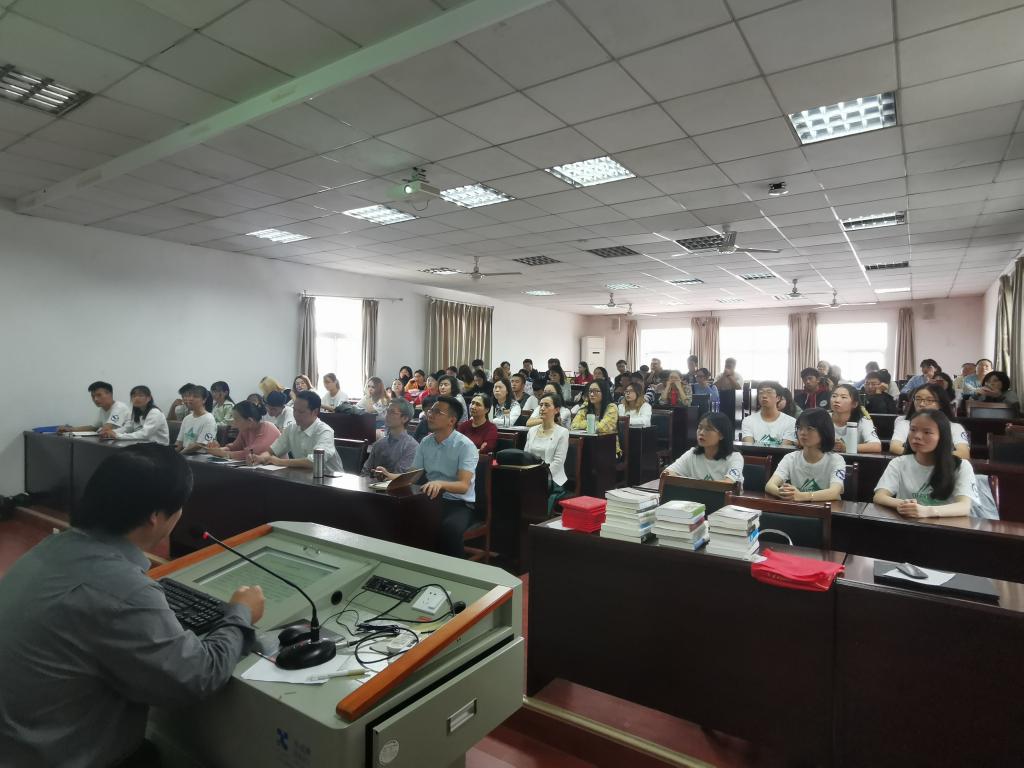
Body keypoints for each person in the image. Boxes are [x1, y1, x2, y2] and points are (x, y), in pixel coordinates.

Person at [0, 444, 264, 767]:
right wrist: (241, 613)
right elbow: (196, 676)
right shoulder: (123, 590)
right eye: (179, 506)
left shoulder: (52, 548)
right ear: (155, 517)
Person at [379, 395, 478, 557]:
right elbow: (413, 475)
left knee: (449, 529)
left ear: (452, 420)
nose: (430, 414)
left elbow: (463, 485)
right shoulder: (426, 442)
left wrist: (440, 484)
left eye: (437, 412)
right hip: (431, 499)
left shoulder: (465, 446)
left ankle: (453, 570)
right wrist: (390, 476)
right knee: (399, 517)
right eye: (430, 410)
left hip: (459, 504)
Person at [874, 410, 978, 517]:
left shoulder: (961, 466)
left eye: (927, 432)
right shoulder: (898, 463)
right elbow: (879, 496)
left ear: (942, 436)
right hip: (908, 523)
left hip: (947, 525)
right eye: (913, 430)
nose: (917, 436)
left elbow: (965, 507)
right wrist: (904, 505)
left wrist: (926, 511)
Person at [765, 408, 846, 502]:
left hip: (827, 509)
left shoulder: (836, 460)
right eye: (800, 428)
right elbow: (769, 485)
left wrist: (802, 496)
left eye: (809, 428)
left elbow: (835, 492)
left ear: (824, 432)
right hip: (799, 509)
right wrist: (782, 493)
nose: (803, 433)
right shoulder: (790, 458)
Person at [251, 391, 343, 472]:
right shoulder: (291, 429)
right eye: (294, 410)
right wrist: (260, 458)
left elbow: (315, 461)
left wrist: (280, 462)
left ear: (315, 412)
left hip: (330, 480)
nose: (295, 415)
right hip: (303, 478)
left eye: (301, 412)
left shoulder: (325, 431)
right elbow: (272, 451)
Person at [890, 383, 970, 458]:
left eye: (929, 400)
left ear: (940, 404)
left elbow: (964, 453)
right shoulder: (904, 424)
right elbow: (895, 447)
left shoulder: (954, 427)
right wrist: (923, 457)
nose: (922, 404)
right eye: (918, 399)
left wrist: (930, 458)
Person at [663, 412, 742, 484]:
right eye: (700, 428)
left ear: (721, 435)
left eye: (708, 429)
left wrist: (694, 485)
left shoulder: (734, 458)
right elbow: (666, 474)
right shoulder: (692, 454)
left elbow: (728, 484)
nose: (701, 433)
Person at [524, 392, 571, 514]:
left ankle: (537, 521)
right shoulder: (532, 431)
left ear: (556, 410)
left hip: (552, 478)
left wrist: (540, 476)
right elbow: (525, 456)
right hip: (531, 475)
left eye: (547, 405)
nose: (542, 408)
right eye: (541, 405)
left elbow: (558, 462)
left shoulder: (562, 432)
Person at [206, 400, 280, 460]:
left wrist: (224, 453)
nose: (234, 424)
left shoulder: (268, 429)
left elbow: (250, 453)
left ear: (250, 421)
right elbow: (235, 446)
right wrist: (219, 449)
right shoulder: (246, 429)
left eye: (236, 419)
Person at [101, 385, 169, 445]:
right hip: (143, 444)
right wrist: (111, 432)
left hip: (159, 447)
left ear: (149, 398)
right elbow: (128, 428)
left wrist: (118, 435)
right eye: (133, 396)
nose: (136, 398)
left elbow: (144, 434)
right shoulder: (136, 412)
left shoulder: (155, 412)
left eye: (140, 395)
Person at [365, 398, 418, 474]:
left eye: (392, 412)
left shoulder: (411, 446)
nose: (387, 415)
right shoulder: (379, 444)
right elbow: (365, 471)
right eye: (387, 411)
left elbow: (400, 476)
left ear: (405, 418)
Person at [59, 381, 132, 434]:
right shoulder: (102, 409)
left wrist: (100, 429)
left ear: (110, 394)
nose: (95, 399)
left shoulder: (120, 407)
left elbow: (106, 429)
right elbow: (94, 427)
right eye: (93, 396)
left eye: (99, 395)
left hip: (128, 444)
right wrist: (71, 429)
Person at [828, 383, 881, 454]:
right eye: (834, 396)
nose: (837, 400)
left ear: (854, 404)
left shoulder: (863, 421)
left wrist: (847, 447)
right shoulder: (823, 417)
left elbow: (876, 446)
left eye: (843, 397)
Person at [571, 378, 620, 454]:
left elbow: (600, 428)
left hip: (608, 449)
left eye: (596, 391)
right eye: (590, 391)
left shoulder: (611, 407)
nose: (591, 394)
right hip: (589, 446)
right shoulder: (586, 405)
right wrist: (591, 424)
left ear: (604, 392)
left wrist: (585, 423)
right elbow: (573, 425)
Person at [741, 382, 797, 446]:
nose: (764, 396)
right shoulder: (748, 421)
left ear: (778, 398)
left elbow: (784, 448)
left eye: (769, 392)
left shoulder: (791, 422)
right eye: (761, 393)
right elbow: (749, 447)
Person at [174, 385, 217, 454]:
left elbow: (200, 444)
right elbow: (179, 442)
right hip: (185, 454)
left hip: (200, 456)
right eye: (189, 396)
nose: (190, 399)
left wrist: (180, 455)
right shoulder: (187, 418)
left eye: (195, 396)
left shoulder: (209, 419)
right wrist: (172, 454)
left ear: (204, 400)